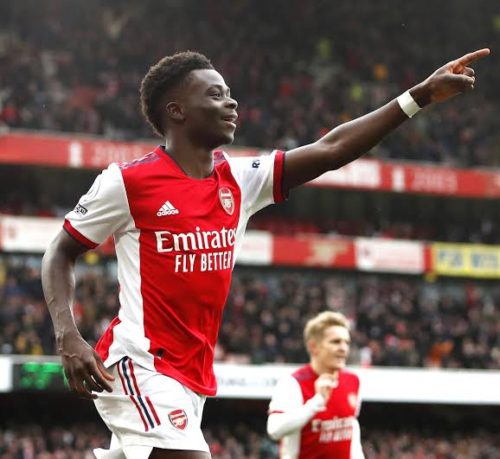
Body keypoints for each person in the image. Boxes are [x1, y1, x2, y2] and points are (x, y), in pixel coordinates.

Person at [41, 47, 489, 459]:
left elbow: (331, 149)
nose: (231, 103)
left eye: (229, 93)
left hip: (192, 376)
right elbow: (60, 251)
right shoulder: (128, 183)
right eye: (215, 95)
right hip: (141, 363)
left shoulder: (241, 180)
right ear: (176, 111)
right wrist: (68, 336)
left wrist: (419, 96)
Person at [267, 311, 364, 458]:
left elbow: (351, 428)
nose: (344, 348)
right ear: (313, 347)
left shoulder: (353, 381)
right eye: (336, 342)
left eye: (346, 342)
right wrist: (317, 401)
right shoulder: (293, 383)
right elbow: (274, 429)